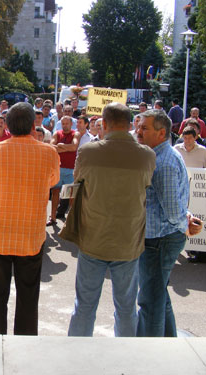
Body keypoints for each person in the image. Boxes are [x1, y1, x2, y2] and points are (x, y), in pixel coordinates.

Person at [67, 103, 156, 337]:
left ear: (103, 124)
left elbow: (78, 180)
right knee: (126, 308)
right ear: (130, 125)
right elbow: (146, 184)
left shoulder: (88, 151)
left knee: (85, 305)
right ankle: (125, 358)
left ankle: (74, 357)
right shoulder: (147, 155)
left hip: (93, 238)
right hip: (128, 242)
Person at [0, 102, 60, 335]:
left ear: (8, 126)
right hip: (31, 236)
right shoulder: (49, 152)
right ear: (34, 125)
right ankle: (25, 346)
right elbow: (52, 181)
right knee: (28, 298)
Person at [135, 109, 192, 337]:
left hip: (160, 241)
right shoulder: (158, 155)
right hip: (159, 239)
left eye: (144, 128)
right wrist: (184, 220)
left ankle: (151, 354)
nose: (138, 131)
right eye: (139, 126)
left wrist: (184, 223)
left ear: (161, 133)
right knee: (159, 296)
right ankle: (169, 342)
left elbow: (171, 210)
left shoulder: (163, 162)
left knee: (150, 301)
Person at [49, 116, 80, 225]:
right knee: (55, 192)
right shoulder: (57, 133)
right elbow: (52, 147)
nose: (65, 125)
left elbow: (74, 147)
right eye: (63, 123)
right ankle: (52, 217)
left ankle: (70, 221)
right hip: (58, 168)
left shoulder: (75, 134)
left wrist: (61, 146)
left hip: (70, 169)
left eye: (67, 123)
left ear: (71, 124)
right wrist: (67, 147)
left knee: (70, 195)